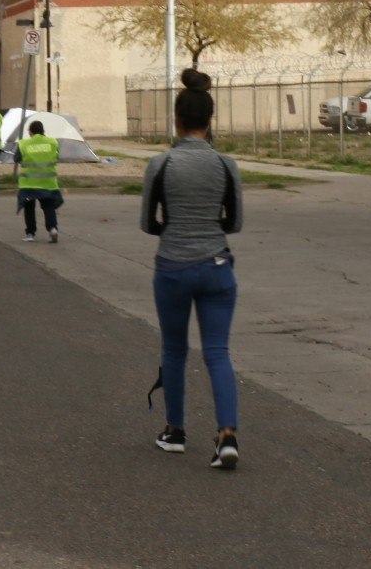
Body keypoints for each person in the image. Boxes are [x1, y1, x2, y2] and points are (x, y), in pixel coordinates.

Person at [141, 68, 244, 470]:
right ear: (210, 121)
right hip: (218, 267)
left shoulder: (160, 165)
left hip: (173, 267)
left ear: (177, 120)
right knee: (217, 352)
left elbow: (148, 223)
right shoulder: (226, 165)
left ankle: (176, 431)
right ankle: (227, 436)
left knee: (174, 349)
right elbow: (233, 223)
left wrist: (177, 229)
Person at [15, 120, 63, 242]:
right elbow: (57, 157)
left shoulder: (23, 144)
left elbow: (17, 158)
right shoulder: (52, 142)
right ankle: (52, 229)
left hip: (29, 184)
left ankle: (30, 233)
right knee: (48, 206)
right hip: (48, 183)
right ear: (43, 131)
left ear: (30, 131)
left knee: (29, 208)